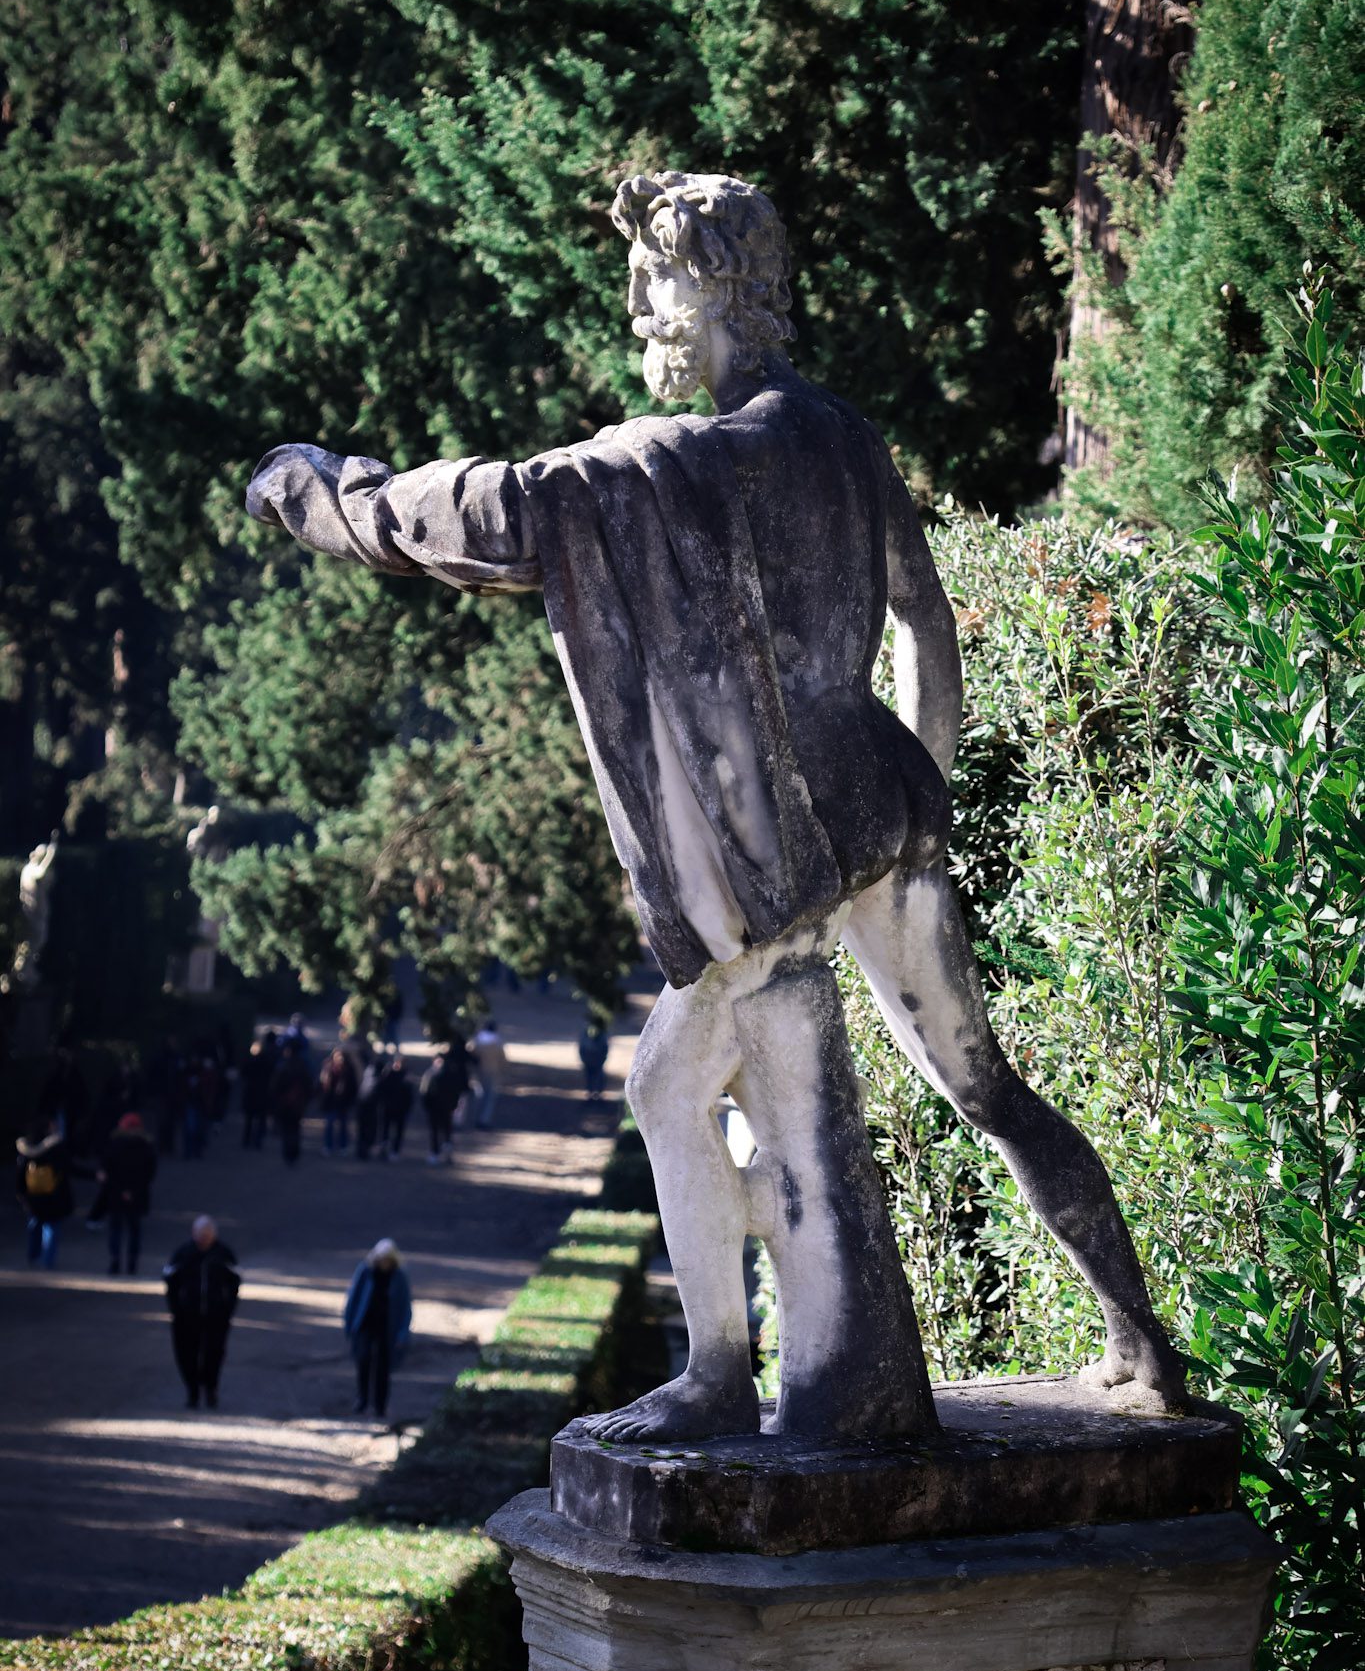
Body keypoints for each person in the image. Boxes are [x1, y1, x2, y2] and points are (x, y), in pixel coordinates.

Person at [247, 168, 1186, 1443]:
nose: (640, 308)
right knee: (988, 1091)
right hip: (881, 806)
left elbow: (497, 516)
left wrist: (330, 493)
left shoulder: (684, 461)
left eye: (656, 280)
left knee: (662, 1086)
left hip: (779, 844)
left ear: (721, 286)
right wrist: (920, 788)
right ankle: (1142, 1341)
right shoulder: (842, 432)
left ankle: (716, 1373)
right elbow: (925, 619)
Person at [163, 1214, 240, 1408]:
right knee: (186, 1354)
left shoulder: (223, 1254)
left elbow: (235, 1282)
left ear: (214, 1235)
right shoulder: (183, 1253)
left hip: (216, 1316)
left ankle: (210, 1389)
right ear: (193, 1233)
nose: (204, 1239)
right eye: (201, 1234)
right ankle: (192, 1391)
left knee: (214, 1354)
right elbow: (170, 1281)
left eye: (207, 1235)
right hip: (186, 1316)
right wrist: (176, 1308)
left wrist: (228, 1308)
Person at [343, 1238, 412, 1418]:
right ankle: (362, 1399)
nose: (385, 1263)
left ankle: (380, 1405)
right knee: (363, 1360)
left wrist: (403, 1333)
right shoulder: (366, 1271)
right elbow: (353, 1298)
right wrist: (349, 1323)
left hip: (387, 1327)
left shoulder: (399, 1276)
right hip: (365, 1324)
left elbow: (405, 1307)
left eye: (388, 1260)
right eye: (382, 1259)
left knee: (383, 1367)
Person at [97, 1112, 156, 1275]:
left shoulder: (114, 1145)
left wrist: (120, 1190)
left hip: (116, 1194)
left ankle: (115, 1260)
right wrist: (132, 1191)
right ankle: (132, 1263)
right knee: (134, 1230)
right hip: (137, 1195)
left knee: (116, 1229)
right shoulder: (145, 1147)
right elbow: (149, 1174)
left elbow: (106, 1172)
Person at [15, 1120, 73, 1269]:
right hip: (53, 1195)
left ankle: (33, 1256)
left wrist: (20, 1192)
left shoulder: (26, 1148)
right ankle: (48, 1260)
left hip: (32, 1195)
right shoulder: (56, 1147)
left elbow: (20, 1173)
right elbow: (67, 1168)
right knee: (51, 1227)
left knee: (34, 1225)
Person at [269, 1037, 312, 1165]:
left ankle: (288, 1152)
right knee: (294, 1127)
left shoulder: (284, 1065)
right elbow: (309, 1085)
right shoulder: (303, 1066)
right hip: (298, 1103)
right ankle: (293, 1152)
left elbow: (275, 1086)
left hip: (285, 1103)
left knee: (287, 1128)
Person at [419, 1048, 466, 1163]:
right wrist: (428, 1106)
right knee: (435, 1131)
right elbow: (424, 1092)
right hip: (434, 1108)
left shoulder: (450, 1075)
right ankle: (435, 1153)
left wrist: (453, 1105)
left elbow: (455, 1092)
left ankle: (446, 1153)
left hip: (446, 1108)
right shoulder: (430, 1075)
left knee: (446, 1131)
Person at [319, 1046, 358, 1156]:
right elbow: (322, 1084)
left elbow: (353, 1086)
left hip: (343, 1102)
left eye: (341, 1056)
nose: (340, 1059)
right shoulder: (328, 1068)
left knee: (343, 1125)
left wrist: (350, 1100)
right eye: (337, 1056)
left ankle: (343, 1145)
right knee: (330, 1123)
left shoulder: (349, 1070)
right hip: (331, 1101)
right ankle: (328, 1145)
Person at [240, 1032, 275, 1149]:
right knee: (258, 1119)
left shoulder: (252, 1060)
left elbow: (243, 1073)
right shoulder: (268, 1059)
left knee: (251, 1119)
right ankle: (256, 1141)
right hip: (261, 1093)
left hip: (253, 1093)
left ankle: (248, 1140)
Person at [470, 1020, 507, 1130]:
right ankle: (484, 1120)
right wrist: (503, 1071)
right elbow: (502, 1060)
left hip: (478, 1072)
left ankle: (474, 1118)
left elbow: (472, 1056)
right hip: (492, 1072)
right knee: (489, 1097)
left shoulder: (477, 1041)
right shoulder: (497, 1043)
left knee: (478, 1095)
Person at [378, 1054, 413, 1159]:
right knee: (385, 1129)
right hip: (388, 1107)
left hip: (400, 1109)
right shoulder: (388, 1073)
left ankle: (395, 1151)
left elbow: (409, 1095)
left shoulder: (406, 1076)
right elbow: (382, 1089)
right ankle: (384, 1148)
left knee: (398, 1131)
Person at [354, 1043, 383, 1160]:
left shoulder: (370, 1072)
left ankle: (363, 1150)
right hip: (367, 1106)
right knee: (367, 1129)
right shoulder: (376, 1077)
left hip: (365, 1105)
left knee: (365, 1129)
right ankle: (363, 1150)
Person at [578, 1020, 610, 1101]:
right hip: (589, 1060)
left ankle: (598, 1092)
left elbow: (605, 1049)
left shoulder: (601, 1036)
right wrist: (584, 1059)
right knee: (590, 1076)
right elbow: (582, 1049)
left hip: (597, 1060)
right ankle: (591, 1091)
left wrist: (602, 1059)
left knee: (597, 1076)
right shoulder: (585, 1036)